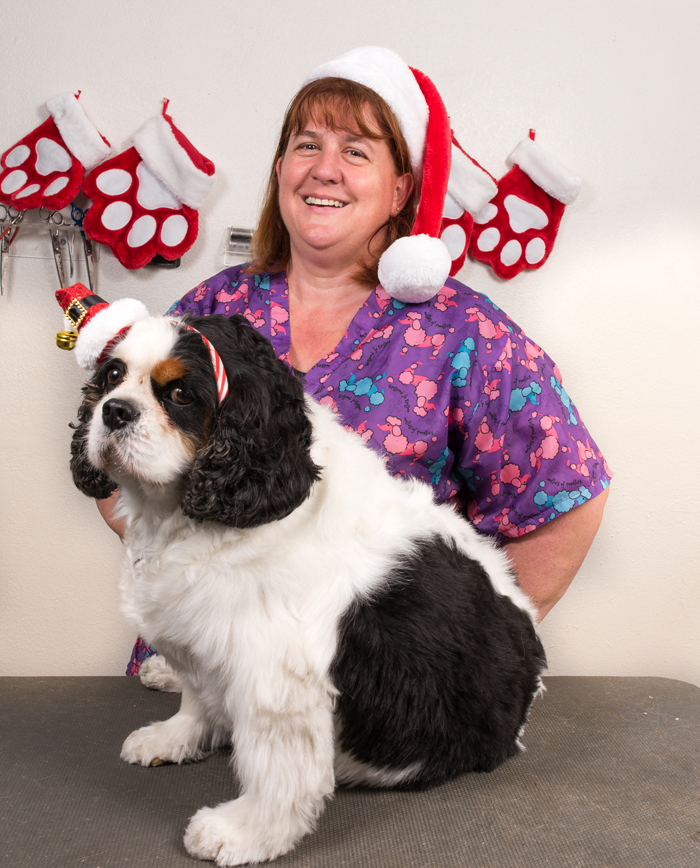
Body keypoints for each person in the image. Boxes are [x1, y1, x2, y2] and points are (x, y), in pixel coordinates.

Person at [97, 47, 611, 676]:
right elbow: (114, 450)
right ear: (281, 168)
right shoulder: (208, 311)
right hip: (198, 683)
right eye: (306, 146)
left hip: (378, 699)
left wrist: (471, 657)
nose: (325, 170)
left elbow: (565, 497)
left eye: (356, 151)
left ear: (400, 189)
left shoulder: (465, 332)